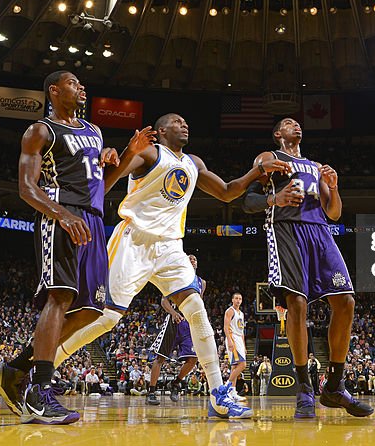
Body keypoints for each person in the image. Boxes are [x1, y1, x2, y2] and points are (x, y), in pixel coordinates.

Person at [49, 113, 291, 419]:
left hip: (170, 246)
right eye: (177, 121)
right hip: (134, 240)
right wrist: (126, 152)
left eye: (185, 121)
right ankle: (44, 368)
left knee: (197, 310)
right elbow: (107, 182)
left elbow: (228, 191)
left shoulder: (194, 163)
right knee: (106, 318)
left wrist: (257, 172)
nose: (185, 124)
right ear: (161, 130)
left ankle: (218, 393)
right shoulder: (150, 153)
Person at [0, 71, 152, 424]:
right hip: (61, 215)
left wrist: (126, 155)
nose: (82, 88)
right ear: (54, 90)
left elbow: (102, 187)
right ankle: (39, 389)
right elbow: (27, 188)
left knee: (93, 310)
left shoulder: (94, 132)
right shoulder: (40, 131)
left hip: (92, 219)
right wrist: (61, 215)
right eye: (74, 83)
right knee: (59, 297)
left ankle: (16, 370)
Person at [242, 117, 373, 419]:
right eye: (289, 123)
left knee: (346, 301)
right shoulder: (269, 158)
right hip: (286, 228)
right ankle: (304, 388)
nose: (296, 125)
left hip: (320, 231)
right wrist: (274, 198)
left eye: (298, 123)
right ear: (278, 134)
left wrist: (335, 187)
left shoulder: (316, 166)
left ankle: (335, 386)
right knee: (296, 304)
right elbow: (247, 199)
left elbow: (335, 213)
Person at [146, 254, 203, 405]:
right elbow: (164, 300)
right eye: (189, 258)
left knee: (193, 359)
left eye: (194, 259)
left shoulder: (201, 283)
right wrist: (173, 312)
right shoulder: (176, 278)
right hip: (173, 321)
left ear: (197, 264)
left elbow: (198, 304)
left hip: (188, 323)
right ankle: (151, 392)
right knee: (160, 358)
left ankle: (176, 383)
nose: (192, 260)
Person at [223, 292, 247, 398]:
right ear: (232, 300)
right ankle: (227, 385)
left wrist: (244, 346)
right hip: (232, 337)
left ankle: (232, 392)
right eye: (236, 298)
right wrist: (229, 340)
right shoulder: (230, 311)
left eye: (240, 298)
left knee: (234, 366)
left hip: (239, 339)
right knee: (243, 365)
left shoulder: (241, 314)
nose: (238, 300)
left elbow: (241, 331)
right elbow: (225, 326)